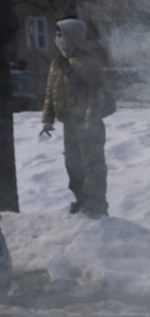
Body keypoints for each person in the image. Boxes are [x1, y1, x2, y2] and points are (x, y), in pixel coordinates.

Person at [40, 17, 108, 218]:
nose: (57, 39)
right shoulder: (56, 63)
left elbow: (96, 93)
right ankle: (81, 200)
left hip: (88, 124)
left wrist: (90, 119)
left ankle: (96, 204)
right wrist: (47, 118)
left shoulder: (89, 63)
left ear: (74, 37)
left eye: (61, 35)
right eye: (57, 35)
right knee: (73, 164)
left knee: (92, 163)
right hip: (68, 123)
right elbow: (50, 92)